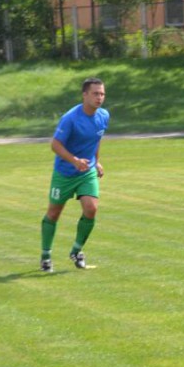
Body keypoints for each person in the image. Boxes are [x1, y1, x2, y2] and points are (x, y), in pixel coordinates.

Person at [40, 77, 109, 272]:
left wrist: (96, 162)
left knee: (91, 208)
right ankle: (45, 256)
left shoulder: (103, 116)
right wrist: (75, 161)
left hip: (86, 172)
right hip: (64, 173)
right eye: (95, 93)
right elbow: (55, 145)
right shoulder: (70, 118)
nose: (99, 97)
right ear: (85, 95)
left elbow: (96, 140)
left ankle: (77, 251)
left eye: (102, 94)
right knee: (54, 213)